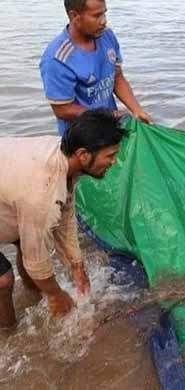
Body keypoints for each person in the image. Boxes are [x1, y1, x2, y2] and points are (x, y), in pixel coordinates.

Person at [0, 109, 125, 331]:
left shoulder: (63, 156)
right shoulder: (42, 192)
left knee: (24, 240)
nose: (114, 162)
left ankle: (36, 299)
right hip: (24, 191)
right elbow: (36, 260)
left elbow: (65, 215)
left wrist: (76, 265)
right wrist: (57, 295)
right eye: (110, 155)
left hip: (9, 188)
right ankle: (8, 335)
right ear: (84, 155)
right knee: (3, 281)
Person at [40, 0, 151, 136]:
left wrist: (137, 110)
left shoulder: (107, 36)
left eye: (104, 14)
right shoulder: (58, 58)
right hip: (82, 137)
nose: (104, 21)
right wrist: (111, 115)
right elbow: (62, 109)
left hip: (110, 125)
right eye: (96, 16)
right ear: (74, 16)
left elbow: (117, 77)